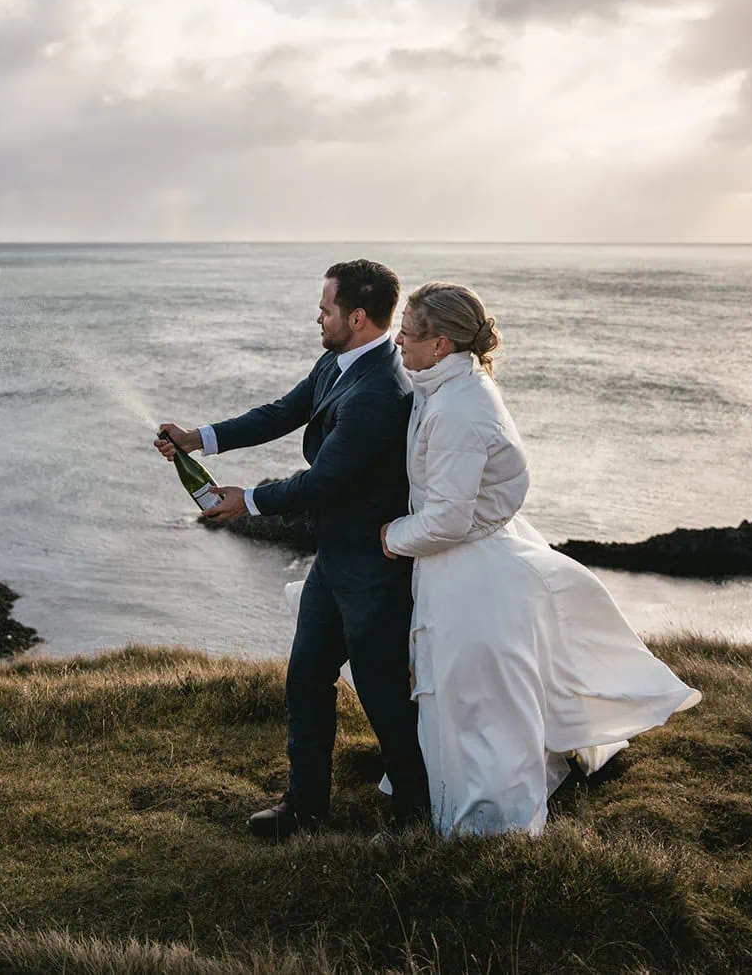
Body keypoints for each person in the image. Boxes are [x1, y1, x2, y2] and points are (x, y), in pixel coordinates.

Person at [382, 281, 701, 836]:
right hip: (463, 564)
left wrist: (391, 537)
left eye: (408, 333)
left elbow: (449, 520)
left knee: (471, 695)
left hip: (469, 575)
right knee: (460, 692)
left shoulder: (458, 408)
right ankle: (446, 792)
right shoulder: (452, 385)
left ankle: (489, 822)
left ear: (441, 345)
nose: (398, 342)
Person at [155, 259, 430, 839]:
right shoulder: (338, 362)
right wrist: (199, 438)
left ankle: (415, 820)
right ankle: (304, 808)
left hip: (374, 569)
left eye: (326, 308)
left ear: (357, 317)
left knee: (385, 700)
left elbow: (322, 482)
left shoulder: (380, 390)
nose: (318, 316)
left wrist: (244, 501)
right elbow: (284, 411)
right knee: (306, 676)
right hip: (336, 558)